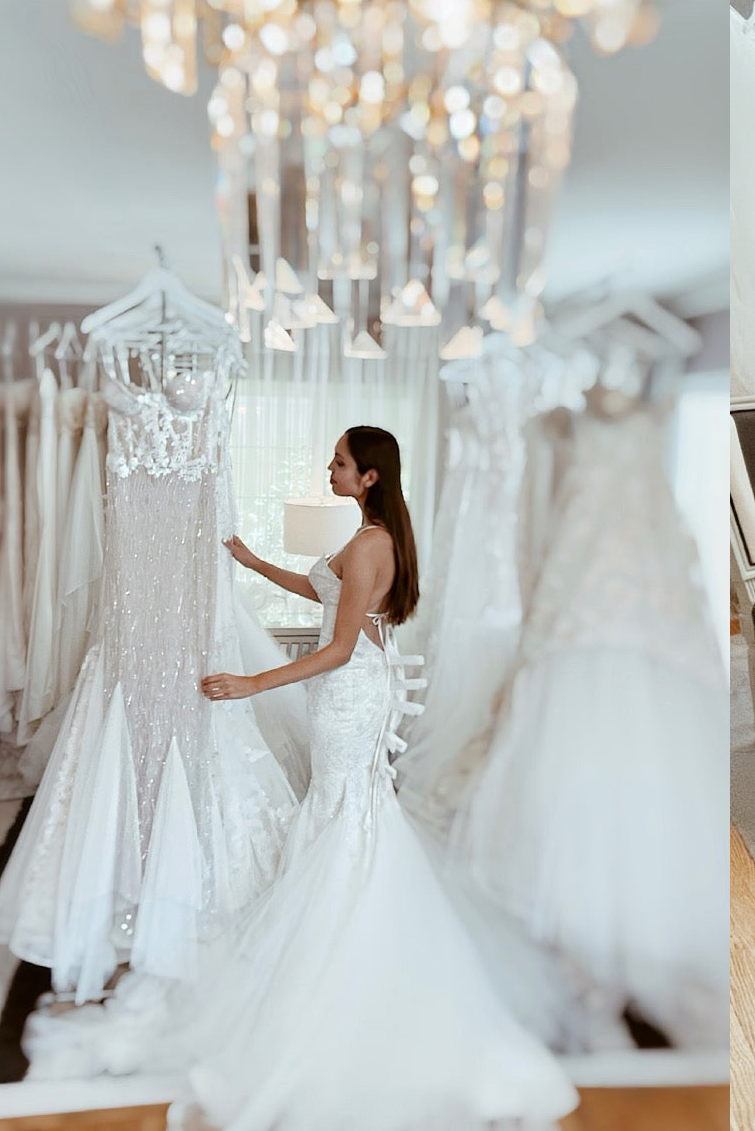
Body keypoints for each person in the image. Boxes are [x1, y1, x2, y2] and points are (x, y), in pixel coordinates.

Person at [166, 426, 577, 1130]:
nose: (329, 468)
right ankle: (350, 939)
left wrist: (252, 681)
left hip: (349, 693)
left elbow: (338, 647)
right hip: (356, 688)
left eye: (339, 462)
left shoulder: (370, 545)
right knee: (347, 808)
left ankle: (346, 954)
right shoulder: (372, 541)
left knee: (346, 809)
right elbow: (319, 590)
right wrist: (250, 559)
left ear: (369, 477)